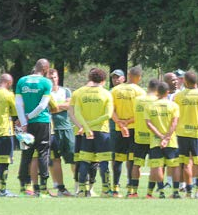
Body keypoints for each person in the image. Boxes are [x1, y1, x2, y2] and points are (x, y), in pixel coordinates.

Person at [15, 58, 53, 196]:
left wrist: (24, 121)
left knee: (26, 153)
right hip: (42, 121)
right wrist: (29, 117)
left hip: (26, 123)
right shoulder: (46, 82)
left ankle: (23, 188)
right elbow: (43, 106)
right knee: (43, 153)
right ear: (45, 69)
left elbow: (18, 104)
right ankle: (43, 188)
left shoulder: (21, 81)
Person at [74, 68, 113, 197]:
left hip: (87, 132)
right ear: (104, 80)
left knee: (84, 161)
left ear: (90, 79)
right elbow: (108, 114)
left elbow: (77, 113)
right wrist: (91, 125)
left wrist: (86, 127)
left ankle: (81, 190)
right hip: (102, 131)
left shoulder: (81, 94)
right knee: (103, 162)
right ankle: (105, 190)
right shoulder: (106, 94)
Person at [174, 71, 198, 199]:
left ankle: (188, 192)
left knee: (185, 163)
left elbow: (175, 115)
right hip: (197, 133)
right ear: (197, 81)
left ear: (185, 81)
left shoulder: (178, 96)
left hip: (182, 133)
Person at [111, 66, 146, 197]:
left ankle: (115, 189)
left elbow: (111, 110)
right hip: (133, 129)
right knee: (132, 159)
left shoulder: (115, 90)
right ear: (139, 78)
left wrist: (120, 122)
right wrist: (128, 122)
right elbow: (140, 113)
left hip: (119, 129)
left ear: (128, 76)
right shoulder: (141, 92)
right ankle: (131, 189)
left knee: (118, 159)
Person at [145, 82, 180, 199]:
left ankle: (161, 192)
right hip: (171, 141)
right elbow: (175, 122)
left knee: (157, 166)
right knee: (174, 166)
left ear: (157, 92)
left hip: (155, 141)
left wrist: (160, 137)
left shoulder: (150, 106)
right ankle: (175, 192)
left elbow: (148, 124)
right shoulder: (174, 106)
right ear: (167, 92)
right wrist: (167, 137)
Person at [128, 79, 159, 198]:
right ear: (157, 89)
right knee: (154, 166)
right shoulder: (157, 100)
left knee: (137, 164)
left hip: (139, 137)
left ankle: (134, 192)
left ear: (148, 87)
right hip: (153, 138)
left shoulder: (137, 100)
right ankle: (149, 193)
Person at [47, 68, 74, 196]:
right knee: (55, 160)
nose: (53, 80)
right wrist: (61, 106)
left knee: (74, 158)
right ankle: (60, 188)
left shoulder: (66, 91)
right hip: (52, 130)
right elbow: (46, 109)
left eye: (55, 77)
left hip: (67, 128)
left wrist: (55, 107)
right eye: (50, 78)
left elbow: (69, 105)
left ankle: (80, 186)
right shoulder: (45, 92)